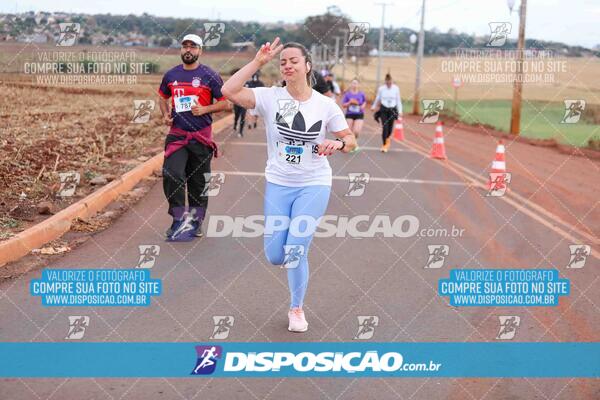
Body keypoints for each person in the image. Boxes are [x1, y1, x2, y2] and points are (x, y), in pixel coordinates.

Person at [222, 38, 356, 333]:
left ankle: (297, 308)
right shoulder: (270, 98)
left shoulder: (325, 105)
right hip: (279, 183)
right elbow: (228, 91)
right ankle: (294, 259)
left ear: (307, 66)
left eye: (294, 60)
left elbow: (352, 141)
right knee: (274, 255)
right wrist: (258, 61)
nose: (288, 65)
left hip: (314, 183)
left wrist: (337, 142)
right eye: (283, 62)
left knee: (296, 248)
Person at [158, 34, 229, 241]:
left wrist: (205, 108)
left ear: (200, 51)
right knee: (172, 174)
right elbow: (162, 97)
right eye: (185, 46)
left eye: (193, 47)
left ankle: (196, 222)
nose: (188, 50)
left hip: (201, 138)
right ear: (181, 50)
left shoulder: (210, 75)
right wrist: (164, 114)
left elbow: (225, 103)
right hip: (177, 136)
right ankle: (179, 220)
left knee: (198, 183)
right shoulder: (171, 75)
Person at [371, 73, 402, 152]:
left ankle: (387, 139)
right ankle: (384, 144)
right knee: (385, 126)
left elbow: (398, 100)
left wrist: (400, 111)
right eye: (387, 82)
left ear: (392, 81)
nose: (389, 84)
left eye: (390, 82)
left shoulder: (396, 88)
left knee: (390, 128)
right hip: (384, 109)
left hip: (392, 109)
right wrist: (374, 106)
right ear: (385, 82)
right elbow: (378, 98)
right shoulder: (381, 88)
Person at [341, 78, 367, 151]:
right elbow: (343, 105)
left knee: (356, 131)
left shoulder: (361, 94)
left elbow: (365, 102)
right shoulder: (347, 94)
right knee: (349, 131)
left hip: (359, 114)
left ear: (358, 85)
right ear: (351, 84)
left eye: (356, 83)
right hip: (350, 114)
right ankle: (352, 145)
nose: (354, 85)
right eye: (353, 83)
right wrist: (349, 103)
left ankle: (354, 143)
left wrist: (362, 106)